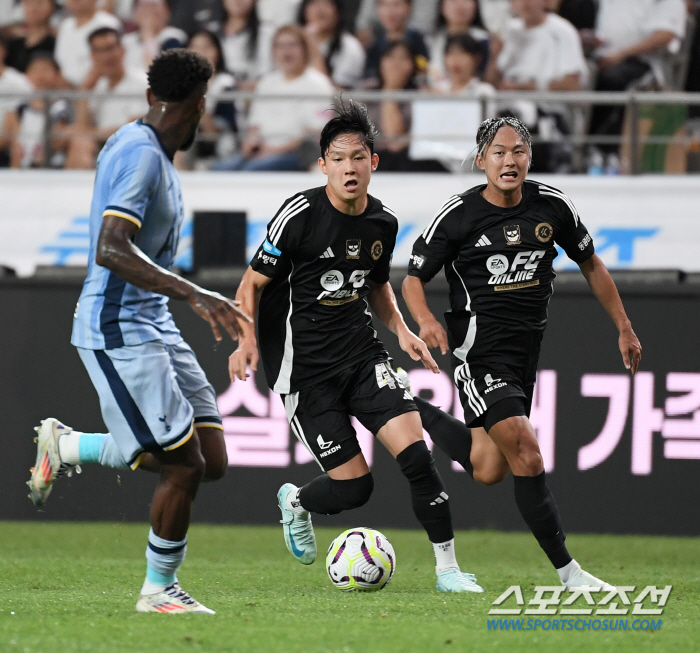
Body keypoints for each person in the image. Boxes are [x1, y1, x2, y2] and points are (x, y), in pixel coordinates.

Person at [27, 49, 251, 613]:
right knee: (184, 464)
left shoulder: (153, 151)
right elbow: (110, 248)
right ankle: (158, 590)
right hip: (118, 327)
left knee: (212, 457)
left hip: (153, 321)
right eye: (204, 104)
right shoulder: (140, 155)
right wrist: (194, 291)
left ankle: (70, 444)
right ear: (198, 105)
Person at [228, 100, 483, 594]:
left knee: (416, 458)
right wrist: (245, 340)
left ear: (373, 163)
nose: (349, 167)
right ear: (323, 164)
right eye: (339, 158)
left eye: (358, 157)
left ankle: (449, 570)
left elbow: (375, 285)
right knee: (355, 489)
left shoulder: (382, 223)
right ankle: (297, 502)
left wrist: (403, 331)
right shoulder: (299, 215)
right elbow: (250, 284)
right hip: (304, 372)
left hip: (362, 355)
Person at [401, 116, 642, 590]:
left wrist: (624, 326)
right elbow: (412, 278)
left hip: (524, 355)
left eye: (518, 151)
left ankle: (411, 408)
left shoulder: (552, 206)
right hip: (478, 354)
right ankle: (570, 575)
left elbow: (590, 262)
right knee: (527, 453)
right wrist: (426, 320)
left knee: (488, 469)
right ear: (481, 160)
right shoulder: (458, 214)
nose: (509, 160)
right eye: (499, 152)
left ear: (530, 158)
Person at [210, 25, 334, 171]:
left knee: (251, 170)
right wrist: (251, 143)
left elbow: (314, 132)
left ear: (304, 49)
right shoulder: (266, 82)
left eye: (292, 45)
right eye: (280, 46)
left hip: (296, 153)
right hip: (262, 149)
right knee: (219, 169)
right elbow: (254, 125)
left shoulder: (319, 84)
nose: (286, 51)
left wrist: (273, 150)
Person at [65, 27, 148, 169]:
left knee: (82, 140)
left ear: (122, 50)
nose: (106, 56)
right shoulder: (97, 85)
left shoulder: (141, 82)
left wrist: (90, 133)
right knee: (80, 143)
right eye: (99, 51)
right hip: (101, 146)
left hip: (133, 147)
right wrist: (85, 91)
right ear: (92, 56)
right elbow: (82, 126)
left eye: (110, 49)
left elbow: (133, 129)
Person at [298, 0, 366, 88]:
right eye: (313, 3)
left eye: (327, 3)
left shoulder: (350, 46)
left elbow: (336, 93)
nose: (320, 9)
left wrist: (313, 48)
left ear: (338, 11)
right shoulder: (294, 42)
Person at [54, 0, 121, 87]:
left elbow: (105, 63)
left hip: (97, 91)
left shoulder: (107, 23)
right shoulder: (65, 25)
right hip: (66, 92)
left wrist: (82, 91)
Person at [363, 0, 429, 83]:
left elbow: (424, 72)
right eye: (383, 4)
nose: (389, 11)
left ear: (409, 7)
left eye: (396, 4)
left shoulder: (419, 43)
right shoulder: (373, 48)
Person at [427, 0, 489, 85]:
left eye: (466, 1)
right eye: (453, 1)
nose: (460, 6)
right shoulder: (431, 41)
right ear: (441, 6)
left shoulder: (485, 41)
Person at [122, 0, 187, 74]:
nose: (150, 12)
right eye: (144, 6)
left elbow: (160, 72)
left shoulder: (173, 38)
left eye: (154, 6)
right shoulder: (125, 41)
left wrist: (148, 34)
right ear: (134, 12)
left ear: (167, 10)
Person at [220, 0, 275, 87]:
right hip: (220, 94)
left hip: (259, 91)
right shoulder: (212, 33)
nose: (238, 1)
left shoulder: (267, 32)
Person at [4, 0, 56, 74]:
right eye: (28, 2)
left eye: (40, 3)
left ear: (52, 6)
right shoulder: (12, 43)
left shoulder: (57, 42)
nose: (33, 8)